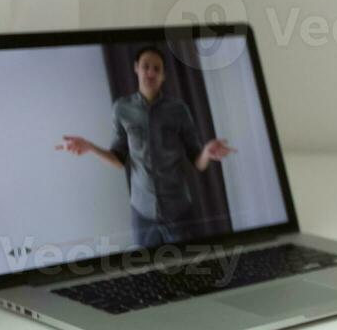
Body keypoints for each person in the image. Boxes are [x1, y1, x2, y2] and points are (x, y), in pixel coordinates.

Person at [57, 45, 236, 246]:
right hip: (142, 214)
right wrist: (89, 147)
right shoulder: (122, 109)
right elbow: (119, 160)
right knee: (147, 272)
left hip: (179, 212)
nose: (150, 72)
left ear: (164, 76)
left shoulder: (178, 109)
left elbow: (197, 162)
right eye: (146, 66)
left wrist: (206, 153)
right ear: (136, 68)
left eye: (157, 69)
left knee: (189, 270)